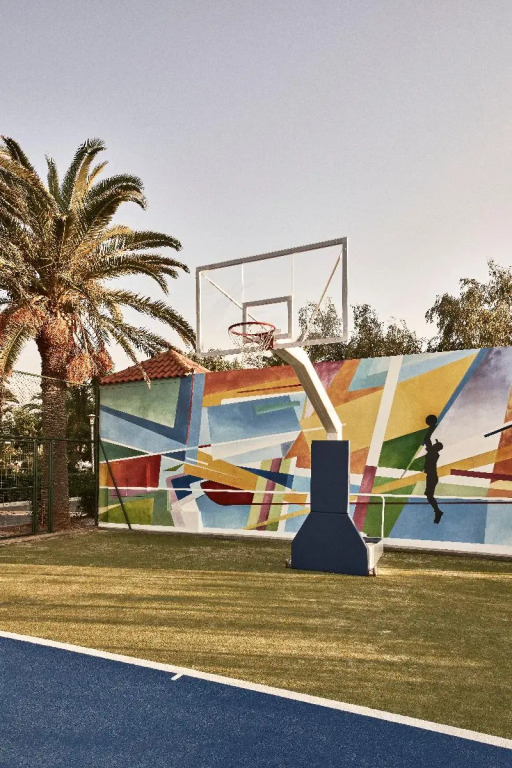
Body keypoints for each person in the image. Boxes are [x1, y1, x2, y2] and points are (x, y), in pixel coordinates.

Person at [423, 415, 444, 524]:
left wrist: (431, 427)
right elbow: (427, 441)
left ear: (436, 447)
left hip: (432, 476)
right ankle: (437, 511)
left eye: (435, 444)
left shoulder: (433, 452)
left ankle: (438, 511)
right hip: (432, 476)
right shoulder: (433, 452)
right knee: (429, 495)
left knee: (429, 495)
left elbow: (427, 439)